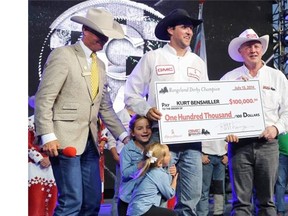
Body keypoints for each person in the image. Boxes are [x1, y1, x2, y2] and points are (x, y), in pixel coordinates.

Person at [34, 8, 130, 215]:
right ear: (84, 30)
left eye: (105, 35)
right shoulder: (64, 55)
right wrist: (48, 135)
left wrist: (124, 136)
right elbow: (44, 97)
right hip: (64, 139)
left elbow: (104, 106)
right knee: (71, 202)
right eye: (98, 33)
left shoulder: (101, 66)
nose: (102, 39)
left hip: (90, 142)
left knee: (93, 202)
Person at [124, 8, 208, 216]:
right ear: (170, 30)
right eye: (184, 27)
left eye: (191, 28)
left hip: (192, 138)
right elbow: (130, 95)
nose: (189, 32)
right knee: (156, 196)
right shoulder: (153, 57)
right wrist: (147, 109)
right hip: (161, 136)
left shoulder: (198, 62)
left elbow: (207, 98)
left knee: (191, 199)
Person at [222, 28, 288, 215]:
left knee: (267, 202)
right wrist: (226, 130)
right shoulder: (228, 78)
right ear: (240, 51)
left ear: (262, 49)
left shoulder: (277, 77)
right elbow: (220, 114)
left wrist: (276, 128)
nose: (253, 50)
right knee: (241, 203)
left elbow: (287, 111)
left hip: (268, 145)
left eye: (256, 45)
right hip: (238, 146)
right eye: (248, 46)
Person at [127, 142, 178, 216]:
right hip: (144, 210)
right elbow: (170, 194)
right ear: (160, 162)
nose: (170, 155)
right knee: (172, 214)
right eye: (167, 154)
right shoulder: (159, 174)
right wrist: (174, 180)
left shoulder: (146, 170)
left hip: (133, 210)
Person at [118, 114, 152, 215]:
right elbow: (125, 173)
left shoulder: (154, 148)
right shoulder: (127, 149)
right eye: (140, 128)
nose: (145, 131)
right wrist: (141, 165)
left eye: (148, 127)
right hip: (128, 199)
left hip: (146, 200)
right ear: (132, 133)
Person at [28, 96, 57, 216]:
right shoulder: (29, 122)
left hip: (52, 164)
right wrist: (39, 158)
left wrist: (50, 157)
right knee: (35, 198)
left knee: (52, 198)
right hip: (34, 167)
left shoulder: (55, 123)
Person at [106, 107, 135, 216]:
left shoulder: (144, 113)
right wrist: (115, 156)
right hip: (122, 158)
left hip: (139, 158)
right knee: (120, 192)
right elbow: (111, 140)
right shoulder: (118, 115)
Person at [196, 140, 228, 216]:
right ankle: (202, 213)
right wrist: (200, 155)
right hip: (206, 155)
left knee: (219, 189)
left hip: (221, 157)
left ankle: (219, 213)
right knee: (204, 189)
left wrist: (228, 154)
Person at [275, 132, 288, 216]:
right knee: (280, 183)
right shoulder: (281, 119)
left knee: (280, 183)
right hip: (281, 154)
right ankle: (280, 210)